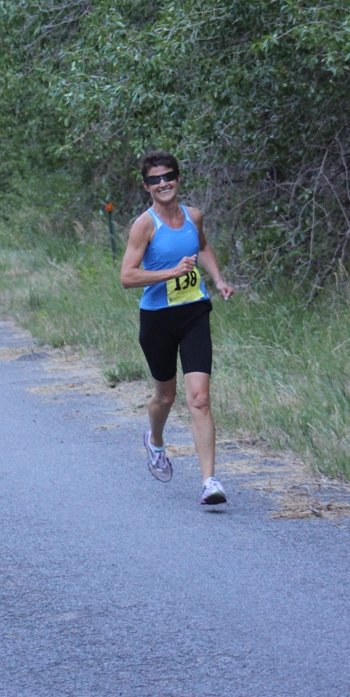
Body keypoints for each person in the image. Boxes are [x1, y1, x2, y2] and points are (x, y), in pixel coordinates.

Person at [120, 151, 234, 506]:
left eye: (167, 176)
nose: (162, 184)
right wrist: (171, 272)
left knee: (199, 398)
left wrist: (217, 279)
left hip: (194, 313)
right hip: (157, 320)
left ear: (178, 178)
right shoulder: (145, 225)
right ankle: (154, 441)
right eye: (154, 180)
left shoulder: (193, 217)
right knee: (164, 397)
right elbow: (127, 277)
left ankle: (209, 482)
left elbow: (201, 246)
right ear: (146, 186)